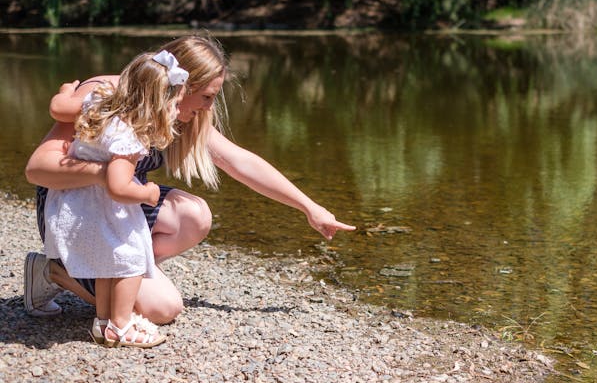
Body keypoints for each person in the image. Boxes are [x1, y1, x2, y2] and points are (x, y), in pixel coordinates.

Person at [24, 35, 355, 326]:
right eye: (207, 96)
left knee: (194, 215)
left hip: (118, 208)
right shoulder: (111, 95)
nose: (209, 106)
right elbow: (37, 168)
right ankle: (54, 271)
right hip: (71, 210)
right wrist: (105, 175)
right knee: (162, 308)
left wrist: (310, 208)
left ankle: (110, 280)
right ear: (183, 86)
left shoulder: (179, 113)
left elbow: (240, 162)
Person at [43, 50, 189, 347]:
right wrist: (147, 193)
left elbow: (58, 108)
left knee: (107, 263)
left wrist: (66, 91)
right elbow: (117, 186)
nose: (177, 111)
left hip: (74, 204)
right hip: (104, 205)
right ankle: (122, 324)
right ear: (156, 104)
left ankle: (104, 323)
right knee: (129, 260)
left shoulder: (100, 104)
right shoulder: (129, 135)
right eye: (174, 104)